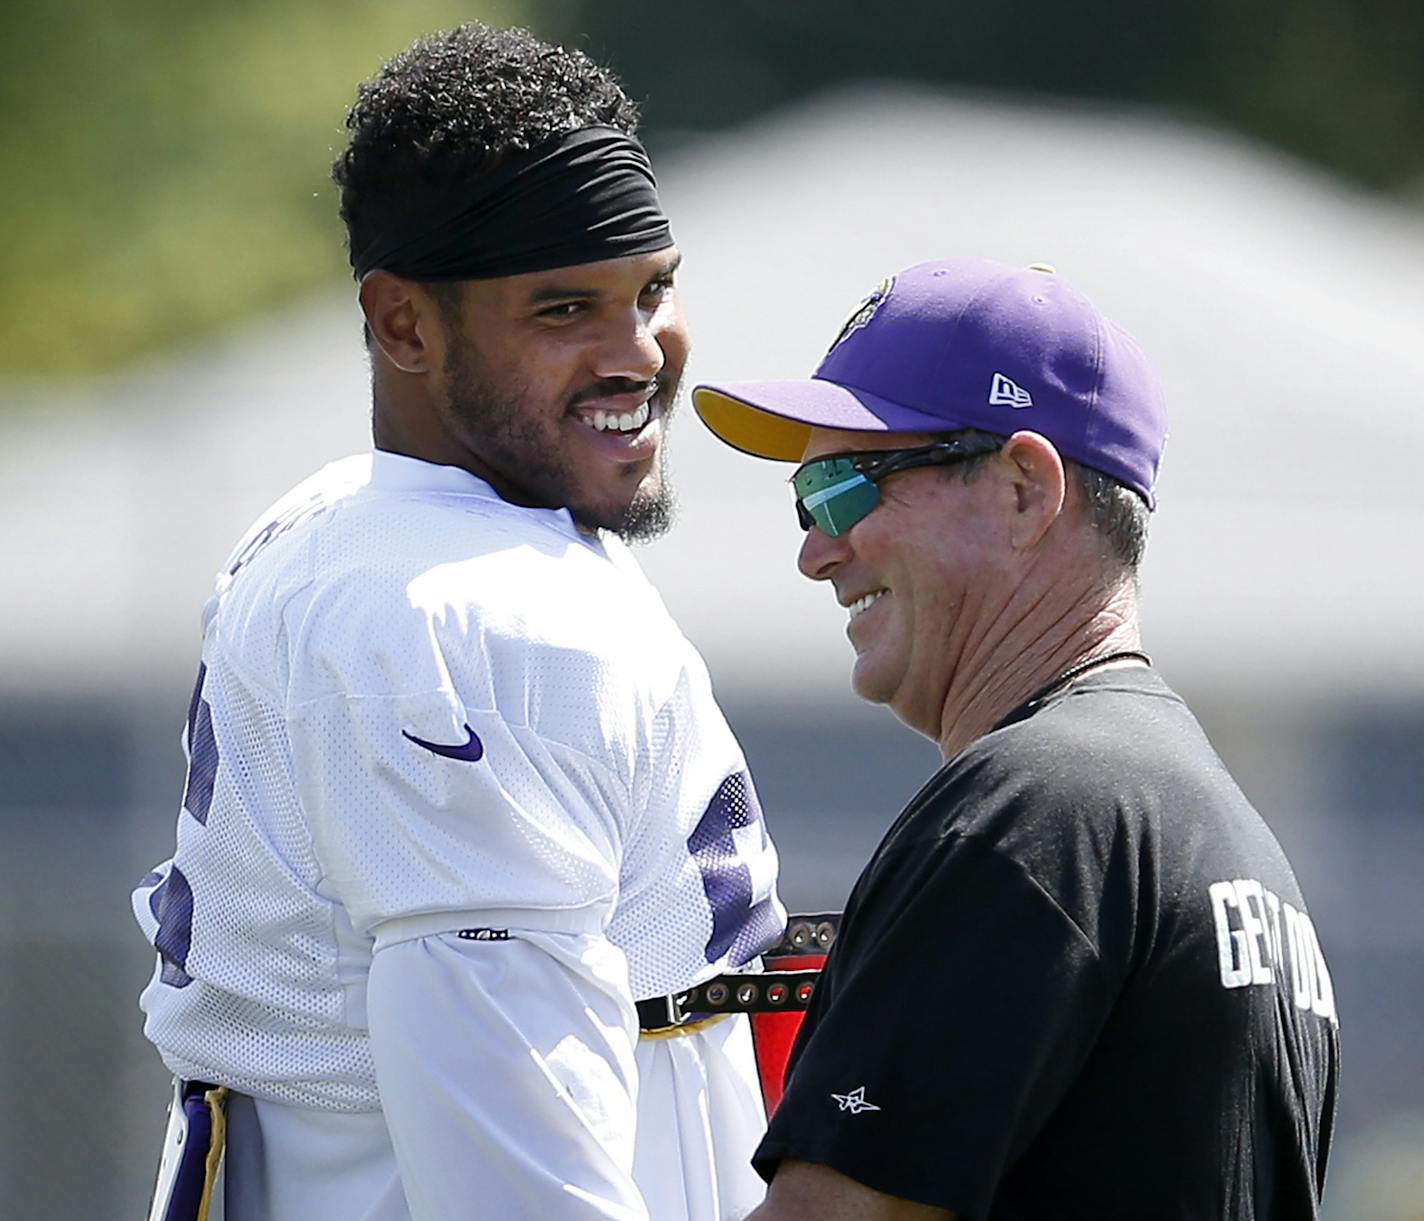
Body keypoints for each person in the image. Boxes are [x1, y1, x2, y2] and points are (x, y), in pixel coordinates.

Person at [132, 24, 786, 1221]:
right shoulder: (476, 619)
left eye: (652, 289)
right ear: (403, 327)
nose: (638, 353)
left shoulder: (359, 526)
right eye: (561, 309)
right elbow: (511, 1177)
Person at [692, 258, 1340, 1219]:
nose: (815, 550)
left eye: (843, 488)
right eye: (807, 504)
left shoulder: (1033, 810)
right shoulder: (1231, 842)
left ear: (1025, 490)